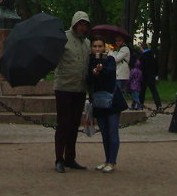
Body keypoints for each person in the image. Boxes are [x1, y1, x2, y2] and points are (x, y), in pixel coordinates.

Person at [52, 11, 91, 172]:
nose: (82, 27)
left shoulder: (88, 43)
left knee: (74, 124)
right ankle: (59, 159)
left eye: (85, 24)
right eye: (80, 24)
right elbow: (54, 57)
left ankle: (70, 157)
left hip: (80, 88)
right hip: (64, 88)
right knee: (63, 125)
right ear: (74, 24)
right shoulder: (63, 38)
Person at [88, 36, 126, 172]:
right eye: (95, 46)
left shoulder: (109, 59)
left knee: (112, 131)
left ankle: (112, 161)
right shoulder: (90, 61)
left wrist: (101, 69)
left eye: (100, 46)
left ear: (104, 47)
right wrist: (93, 73)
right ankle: (106, 160)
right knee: (104, 133)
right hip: (98, 101)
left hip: (112, 101)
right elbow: (88, 79)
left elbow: (110, 72)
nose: (97, 49)